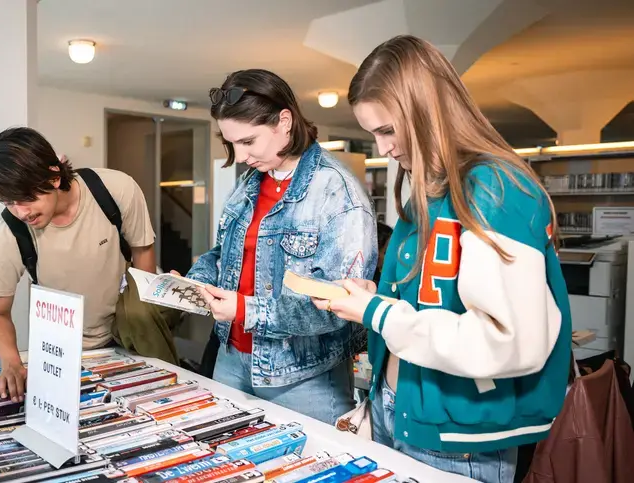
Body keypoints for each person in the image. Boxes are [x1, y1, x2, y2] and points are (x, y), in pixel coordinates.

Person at [316, 35, 572, 483]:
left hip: (458, 439)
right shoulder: (427, 193)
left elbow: (510, 342)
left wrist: (377, 312)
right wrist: (375, 298)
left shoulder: (494, 190)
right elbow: (435, 304)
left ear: (428, 110)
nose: (382, 149)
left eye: (388, 130)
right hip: (402, 409)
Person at [184, 69, 378, 424]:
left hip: (303, 379)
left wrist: (246, 310)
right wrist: (194, 281)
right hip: (231, 359)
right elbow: (223, 253)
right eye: (232, 144)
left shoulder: (337, 192)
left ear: (284, 122)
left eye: (248, 142)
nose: (240, 157)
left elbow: (338, 305)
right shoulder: (248, 184)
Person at [0, 127, 180, 402]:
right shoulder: (10, 232)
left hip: (128, 339)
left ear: (53, 176)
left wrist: (146, 309)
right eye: (9, 202)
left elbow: (143, 252)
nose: (21, 212)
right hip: (62, 352)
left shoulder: (115, 190)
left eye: (26, 198)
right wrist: (11, 362)